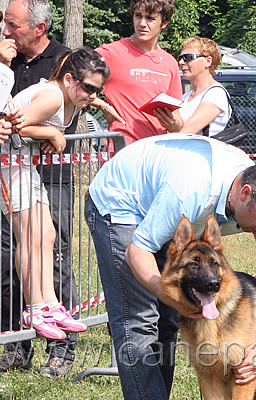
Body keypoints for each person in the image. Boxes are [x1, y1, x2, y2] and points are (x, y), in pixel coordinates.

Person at [84, 133, 256, 400]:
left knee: (167, 325)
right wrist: (173, 299)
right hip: (122, 207)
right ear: (245, 194)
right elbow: (138, 251)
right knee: (139, 323)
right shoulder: (191, 188)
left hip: (165, 210)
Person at [1, 48, 107, 342]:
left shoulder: (71, 97)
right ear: (69, 78)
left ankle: (50, 303)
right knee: (29, 235)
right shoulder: (53, 96)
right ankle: (34, 308)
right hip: (8, 165)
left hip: (23, 165)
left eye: (97, 91)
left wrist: (48, 134)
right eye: (88, 88)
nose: (92, 96)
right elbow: (15, 126)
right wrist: (51, 134)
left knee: (46, 233)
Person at [0, 0, 81, 377]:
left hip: (53, 172)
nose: (6, 31)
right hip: (13, 167)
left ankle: (61, 347)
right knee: (9, 254)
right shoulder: (4, 55)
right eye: (5, 23)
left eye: (13, 25)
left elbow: (71, 110)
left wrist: (53, 131)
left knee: (54, 245)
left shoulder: (64, 62)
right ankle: (17, 341)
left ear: (40, 27)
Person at [93, 0, 181, 144]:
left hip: (157, 151)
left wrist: (173, 124)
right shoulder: (112, 52)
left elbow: (178, 121)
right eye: (138, 16)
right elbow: (72, 76)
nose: (142, 23)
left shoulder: (170, 63)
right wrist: (103, 106)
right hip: (122, 150)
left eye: (150, 18)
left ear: (164, 23)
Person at [155, 36, 231, 136]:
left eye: (188, 57)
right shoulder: (186, 96)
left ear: (208, 61)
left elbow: (187, 131)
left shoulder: (216, 94)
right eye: (181, 58)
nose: (181, 62)